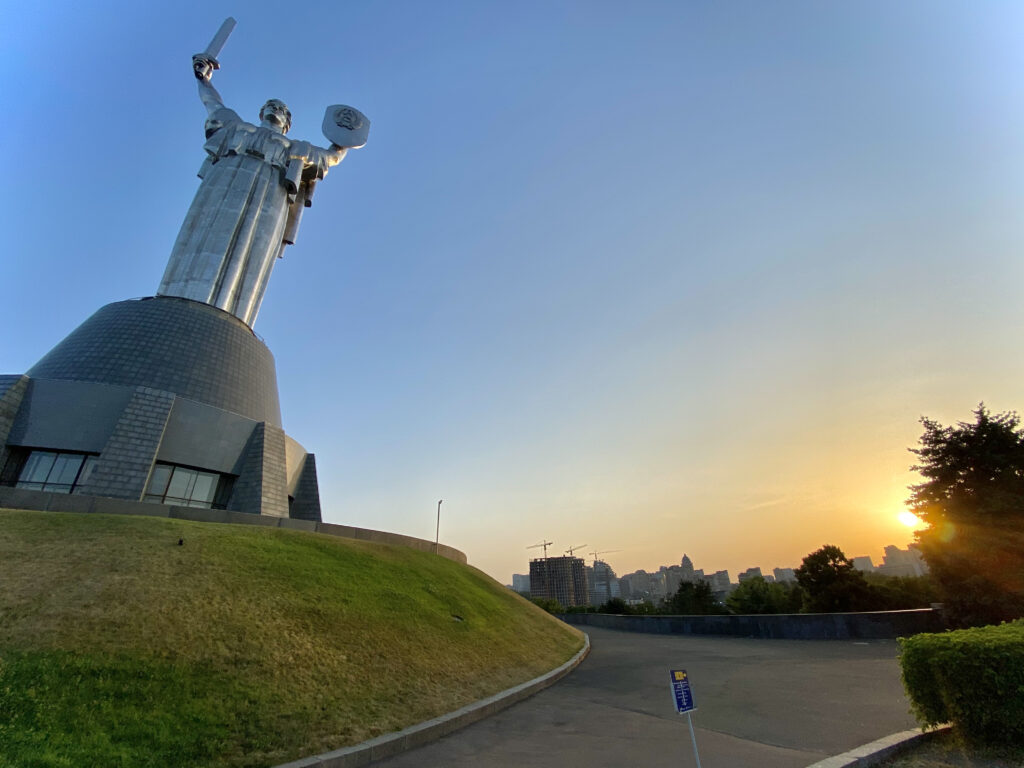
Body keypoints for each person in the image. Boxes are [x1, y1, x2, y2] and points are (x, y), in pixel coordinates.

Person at [157, 54, 349, 327]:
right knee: (205, 234)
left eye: (281, 108)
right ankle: (177, 299)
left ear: (287, 122)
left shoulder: (296, 148)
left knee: (251, 251)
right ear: (262, 113)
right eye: (270, 105)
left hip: (268, 193)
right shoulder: (237, 126)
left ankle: (232, 320)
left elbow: (329, 158)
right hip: (225, 183)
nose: (275, 108)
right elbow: (212, 103)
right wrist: (203, 78)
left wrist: (343, 140)